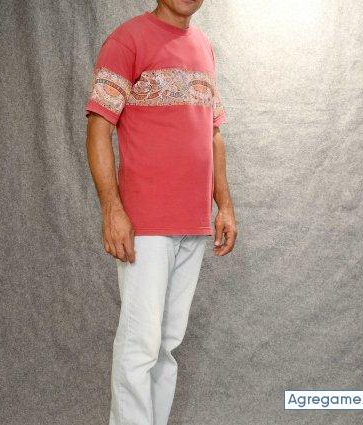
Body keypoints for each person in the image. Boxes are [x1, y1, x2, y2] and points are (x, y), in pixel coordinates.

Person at [85, 1, 237, 424]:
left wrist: (224, 204)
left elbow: (213, 132)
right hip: (146, 223)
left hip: (194, 223)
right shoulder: (127, 40)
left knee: (167, 346)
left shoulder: (203, 45)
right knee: (140, 345)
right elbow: (99, 127)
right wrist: (112, 209)